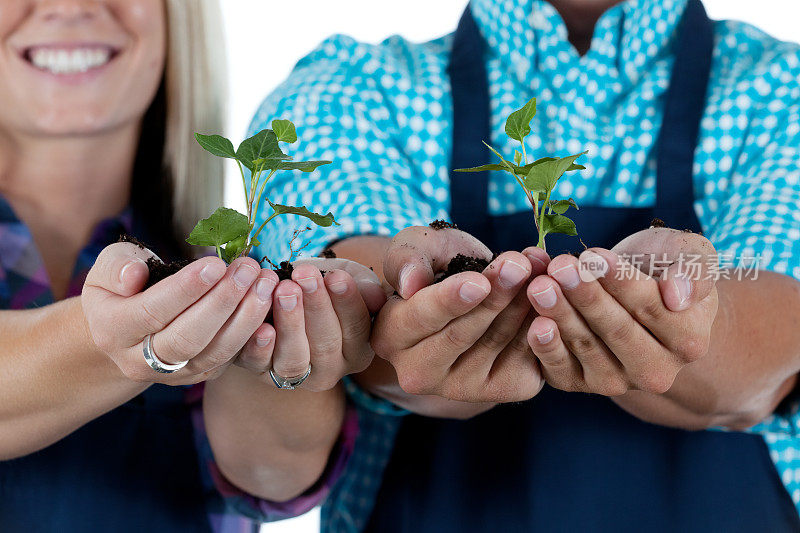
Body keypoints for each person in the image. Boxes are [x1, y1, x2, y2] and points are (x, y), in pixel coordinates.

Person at [250, 0, 800, 530]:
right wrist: (404, 300)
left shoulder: (781, 85)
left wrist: (693, 312)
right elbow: (355, 270)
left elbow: (778, 332)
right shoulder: (352, 87)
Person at [0, 1, 380, 531]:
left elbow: (275, 477)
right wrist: (127, 340)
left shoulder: (211, 263)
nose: (69, 6)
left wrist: (278, 324)